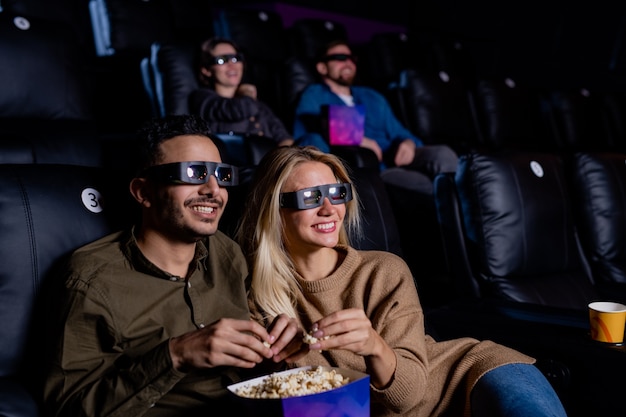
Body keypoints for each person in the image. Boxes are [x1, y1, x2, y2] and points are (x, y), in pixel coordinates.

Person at [236, 145, 569, 417]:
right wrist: (282, 355)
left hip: (467, 375)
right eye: (309, 198)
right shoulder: (256, 293)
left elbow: (408, 396)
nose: (329, 208)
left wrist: (373, 345)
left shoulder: (384, 270)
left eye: (336, 193)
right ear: (275, 212)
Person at [43, 114, 304, 417]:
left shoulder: (226, 253)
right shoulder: (90, 279)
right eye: (193, 173)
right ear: (144, 192)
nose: (213, 189)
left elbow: (243, 373)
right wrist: (176, 355)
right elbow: (67, 408)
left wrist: (271, 353)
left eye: (222, 175)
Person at [293, 39, 458, 193]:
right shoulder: (313, 95)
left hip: (393, 157)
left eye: (351, 58)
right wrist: (355, 138)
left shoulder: (372, 96)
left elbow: (400, 132)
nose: (348, 62)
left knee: (442, 153)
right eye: (340, 57)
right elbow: (309, 134)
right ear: (322, 67)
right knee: (426, 186)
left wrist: (407, 143)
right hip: (374, 169)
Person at [189, 37, 294, 147]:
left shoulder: (258, 104)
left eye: (235, 58)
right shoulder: (202, 98)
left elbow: (284, 138)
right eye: (221, 60)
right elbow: (243, 108)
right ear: (206, 70)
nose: (231, 65)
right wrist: (246, 93)